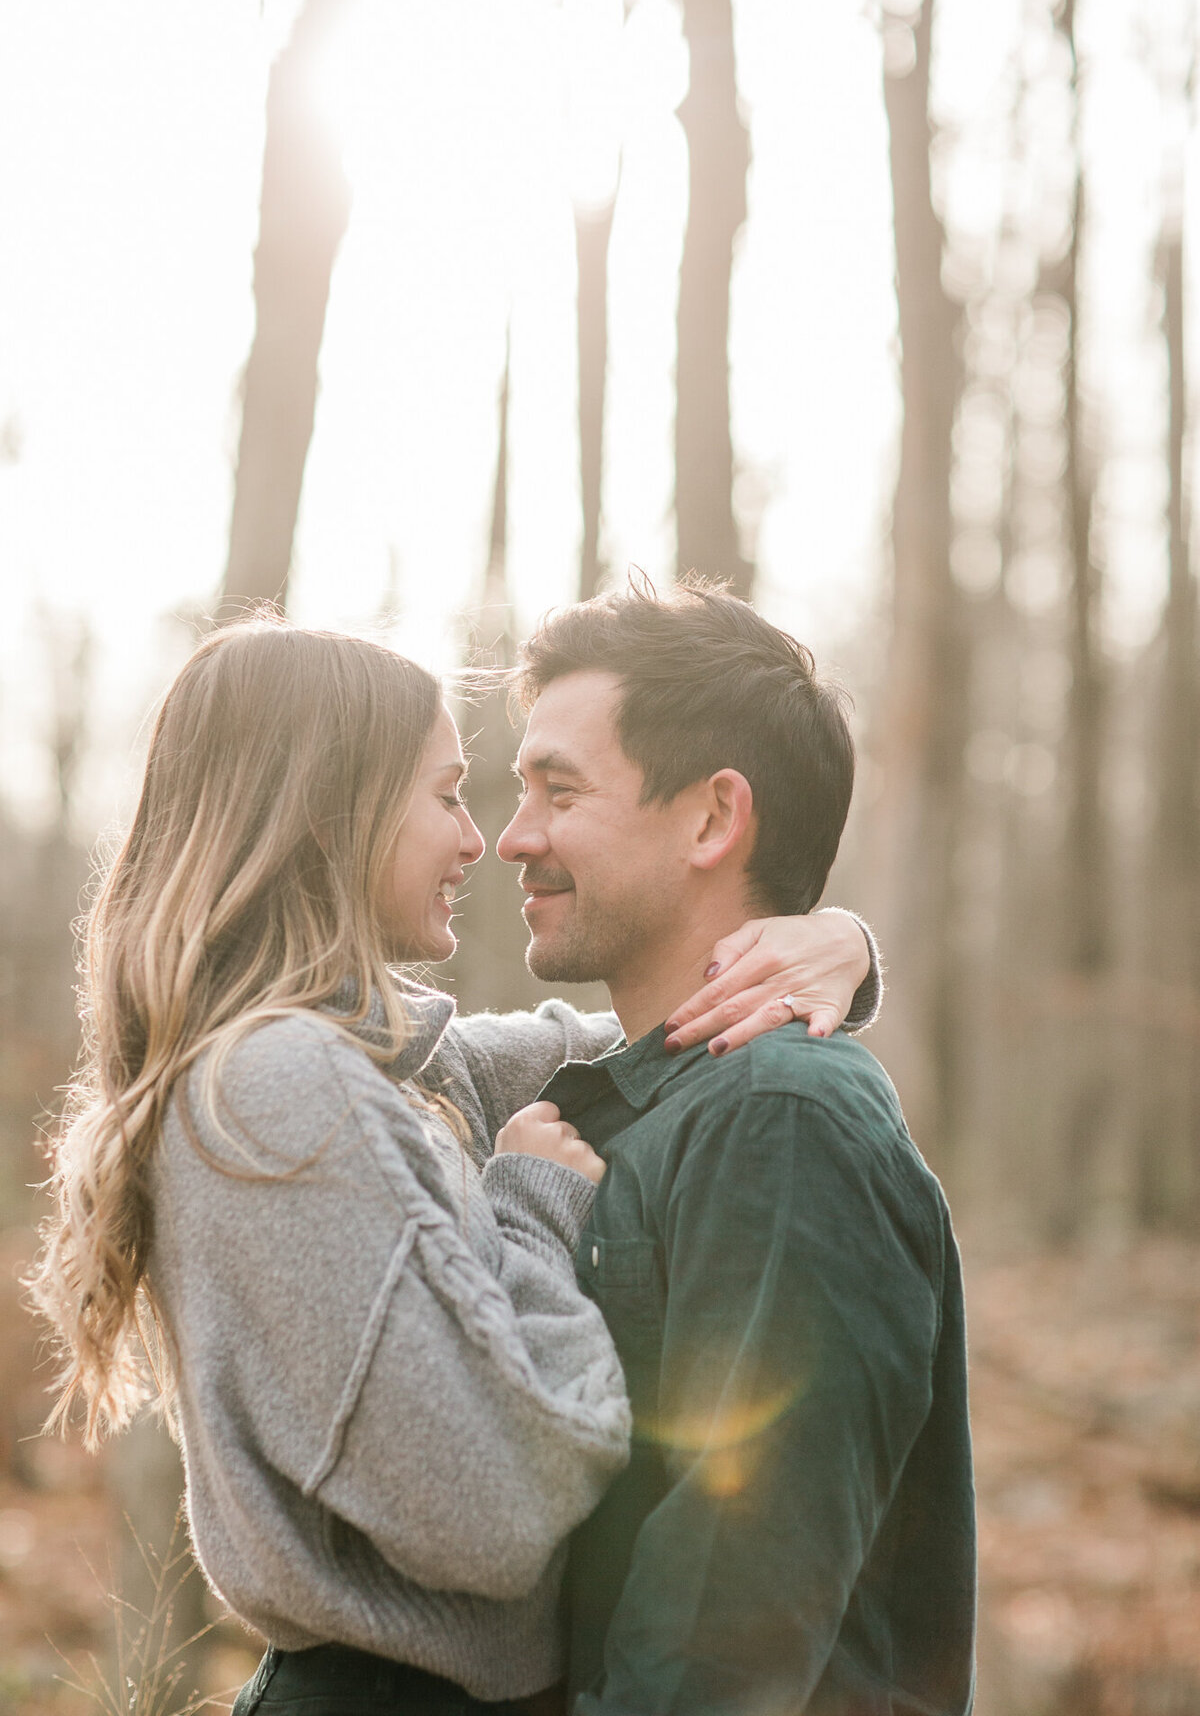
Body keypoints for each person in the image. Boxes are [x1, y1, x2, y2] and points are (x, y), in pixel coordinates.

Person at [30, 621, 881, 1716]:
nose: (483, 841)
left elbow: (638, 1032)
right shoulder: (284, 1087)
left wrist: (835, 946)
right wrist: (530, 1208)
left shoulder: (379, 1073)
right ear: (328, 814)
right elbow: (499, 1508)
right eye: (446, 796)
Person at [496, 582, 976, 1716]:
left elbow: (724, 1633)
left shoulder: (783, 1118)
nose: (515, 837)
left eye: (558, 792)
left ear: (714, 820)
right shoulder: (651, 1097)